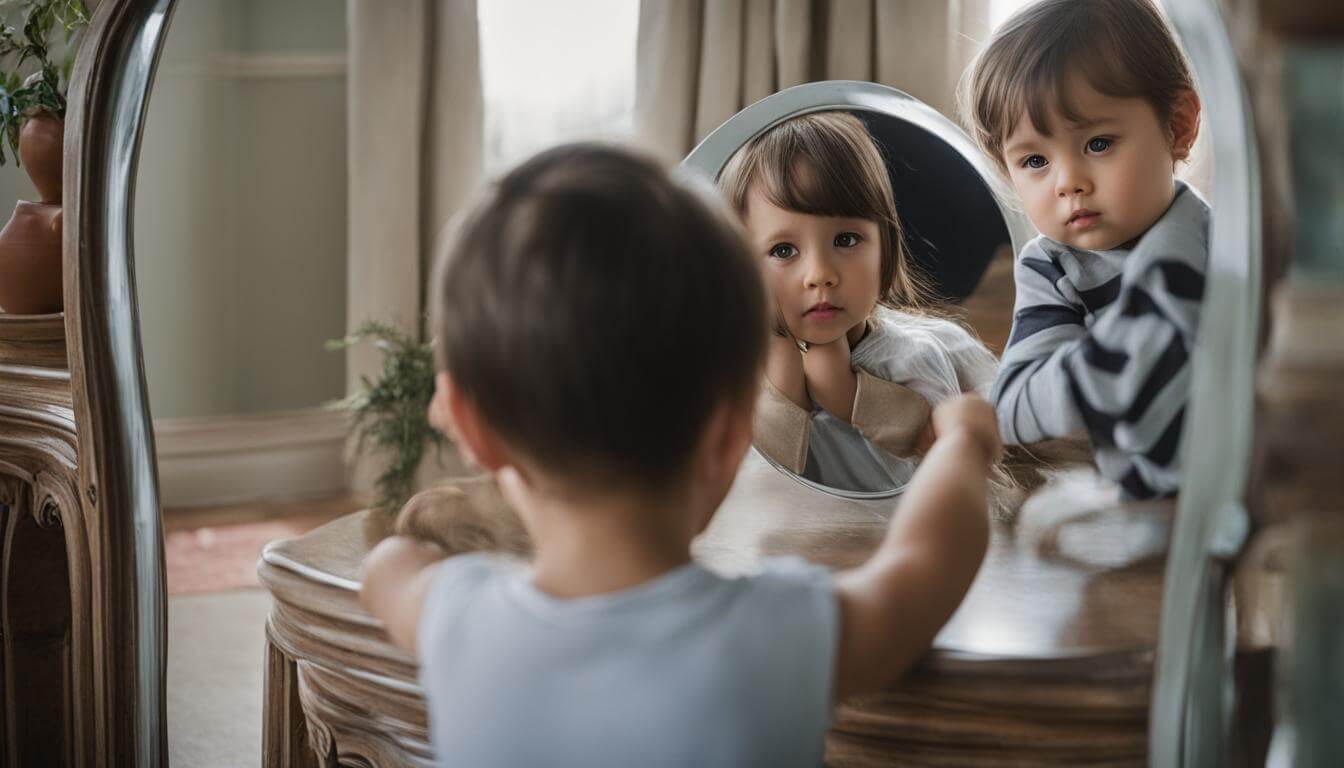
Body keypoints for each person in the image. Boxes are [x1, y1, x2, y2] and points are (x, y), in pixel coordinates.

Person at [360, 143, 1001, 768]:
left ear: (472, 430)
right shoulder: (778, 637)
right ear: (730, 435)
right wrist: (964, 444)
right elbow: (930, 559)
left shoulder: (453, 619)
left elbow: (389, 563)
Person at [963, 0, 1208, 499]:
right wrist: (1116, 363)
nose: (1068, 182)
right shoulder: (1054, 267)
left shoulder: (1221, 245)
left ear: (1178, 127)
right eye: (1034, 160)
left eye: (1098, 144)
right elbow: (1012, 404)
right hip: (1144, 499)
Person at [716, 111, 1001, 493]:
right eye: (784, 250)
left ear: (886, 247)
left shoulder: (911, 358)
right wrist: (782, 386)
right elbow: (760, 488)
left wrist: (848, 395)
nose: (820, 273)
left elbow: (953, 466)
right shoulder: (737, 369)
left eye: (846, 240)